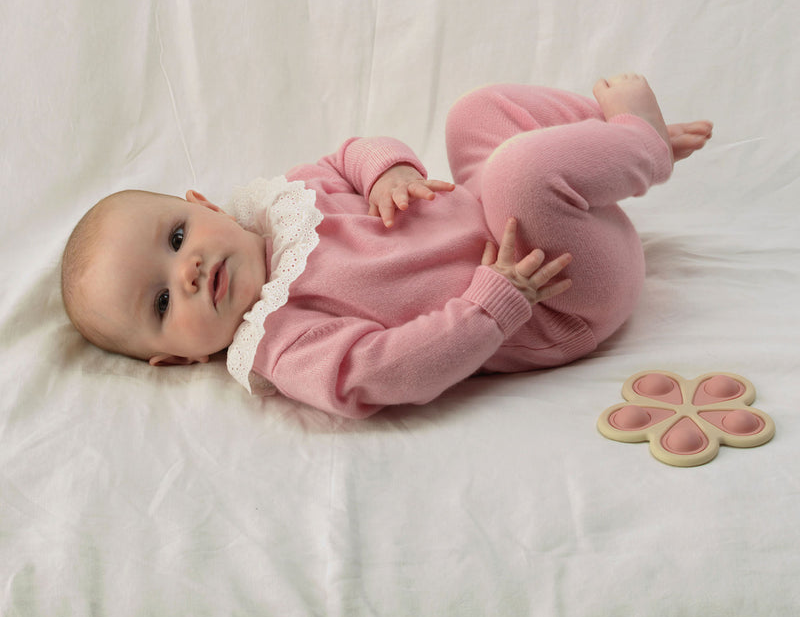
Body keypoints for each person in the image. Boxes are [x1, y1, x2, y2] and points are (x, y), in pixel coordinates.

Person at [61, 73, 711, 418]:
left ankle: (607, 141)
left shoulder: (283, 201)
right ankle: (641, 144)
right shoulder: (282, 341)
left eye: (176, 239)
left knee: (475, 113)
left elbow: (348, 154)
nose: (190, 271)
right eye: (161, 303)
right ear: (175, 359)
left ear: (201, 206)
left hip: (521, 212)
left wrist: (386, 172)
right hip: (558, 288)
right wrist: (494, 304)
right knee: (519, 173)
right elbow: (382, 370)